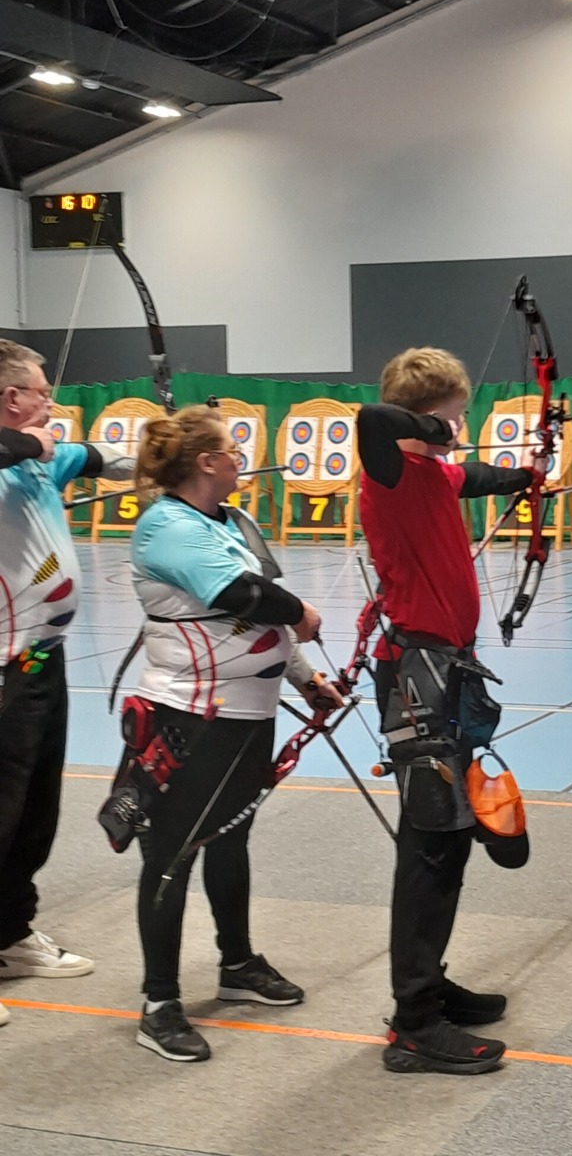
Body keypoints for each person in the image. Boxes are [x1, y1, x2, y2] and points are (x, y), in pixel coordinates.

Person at [127, 404, 341, 1062]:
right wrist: (302, 611)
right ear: (207, 462)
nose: (241, 459)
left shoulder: (228, 520)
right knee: (172, 853)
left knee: (229, 837)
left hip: (248, 714)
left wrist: (305, 678)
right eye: (232, 450)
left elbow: (262, 619)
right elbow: (242, 597)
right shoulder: (166, 525)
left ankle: (237, 963)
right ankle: (159, 1003)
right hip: (189, 716)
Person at [357, 346, 542, 1076]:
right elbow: (373, 419)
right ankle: (414, 1022)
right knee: (430, 844)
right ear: (425, 418)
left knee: (452, 834)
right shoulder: (391, 474)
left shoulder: (435, 475)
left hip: (447, 675)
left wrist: (527, 475)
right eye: (452, 417)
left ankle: (428, 985)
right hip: (418, 680)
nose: (460, 430)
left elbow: (477, 477)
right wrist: (433, 430)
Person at [0, 338, 136, 1019]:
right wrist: (36, 445)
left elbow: (104, 459)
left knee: (34, 811)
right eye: (41, 391)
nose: (51, 402)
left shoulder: (40, 462)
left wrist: (169, 453)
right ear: (11, 398)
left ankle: (9, 932)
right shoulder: (14, 460)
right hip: (5, 667)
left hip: (41, 661)